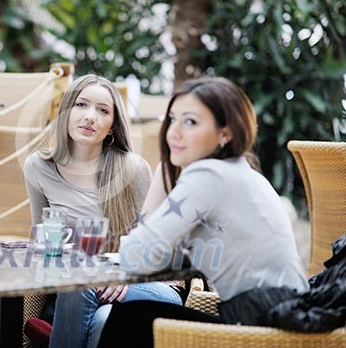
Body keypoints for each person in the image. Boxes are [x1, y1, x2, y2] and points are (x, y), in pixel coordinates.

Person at [96, 77, 309, 347]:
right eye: (172, 119)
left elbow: (136, 255)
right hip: (283, 318)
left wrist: (165, 168)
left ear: (226, 132)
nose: (174, 132)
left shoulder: (208, 174)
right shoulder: (240, 171)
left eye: (191, 122)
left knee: (127, 319)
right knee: (134, 315)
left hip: (261, 325)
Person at [24, 74, 183, 348]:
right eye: (81, 105)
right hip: (76, 288)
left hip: (148, 284)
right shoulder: (38, 167)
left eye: (102, 110)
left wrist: (122, 272)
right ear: (65, 112)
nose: (90, 117)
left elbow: (157, 247)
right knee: (101, 318)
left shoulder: (132, 168)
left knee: (82, 284)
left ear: (111, 127)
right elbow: (41, 241)